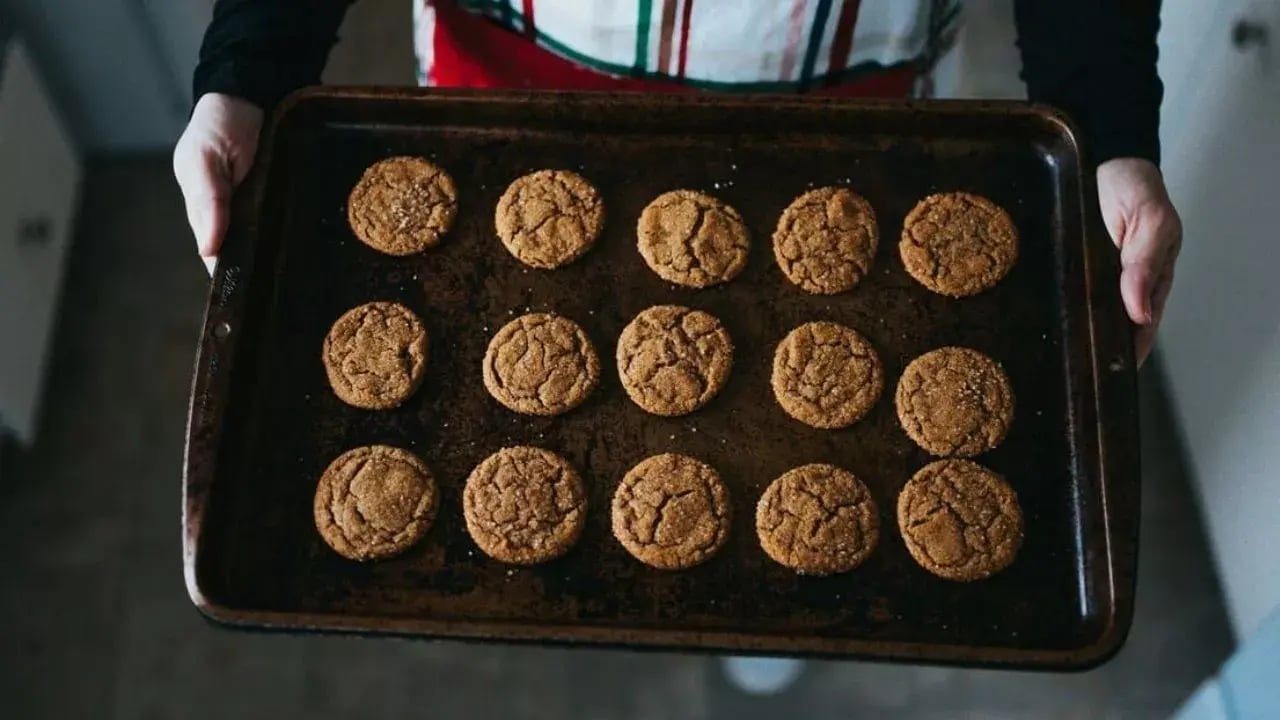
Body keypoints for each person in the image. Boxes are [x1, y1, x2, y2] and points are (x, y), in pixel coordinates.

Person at [173, 0, 1180, 693]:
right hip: (512, 89)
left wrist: (1104, 122)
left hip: (844, 102)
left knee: (789, 527)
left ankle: (770, 622)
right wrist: (250, 66)